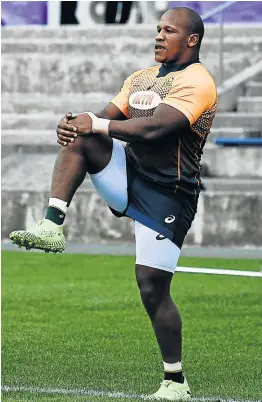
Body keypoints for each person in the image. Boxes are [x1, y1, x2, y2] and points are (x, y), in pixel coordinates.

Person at [10, 7, 217, 400]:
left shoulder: (198, 81)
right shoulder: (139, 78)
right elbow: (102, 120)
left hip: (170, 193)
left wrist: (97, 124)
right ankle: (52, 225)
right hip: (130, 177)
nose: (158, 35)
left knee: (152, 286)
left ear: (191, 40)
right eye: (157, 29)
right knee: (84, 139)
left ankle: (175, 381)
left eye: (168, 31)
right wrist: (75, 123)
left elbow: (156, 127)